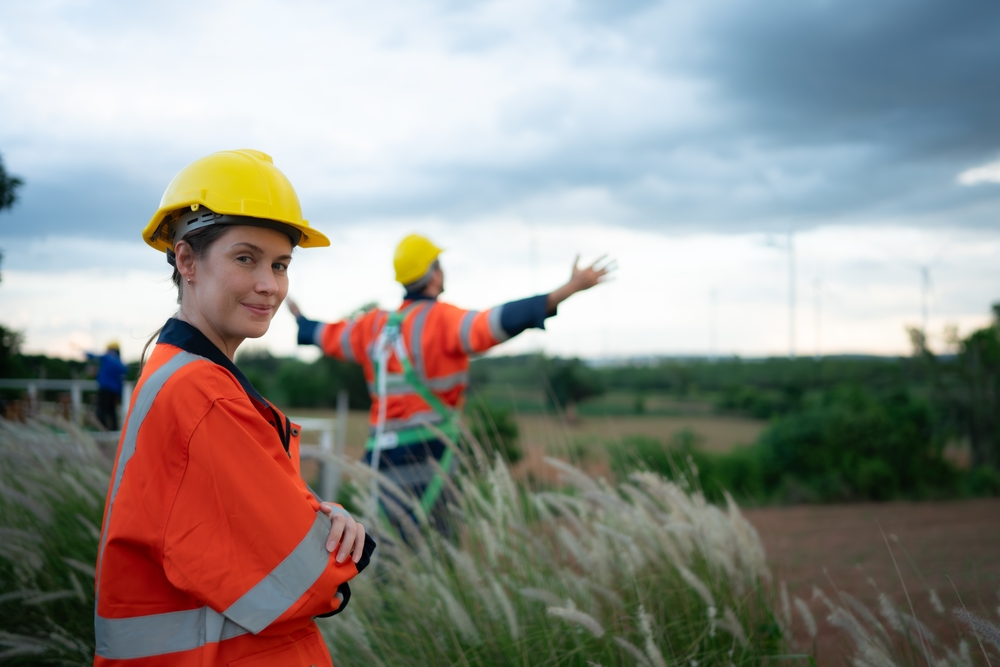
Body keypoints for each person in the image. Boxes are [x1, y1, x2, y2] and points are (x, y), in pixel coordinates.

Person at [94, 149, 374, 667]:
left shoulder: (179, 372)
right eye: (246, 258)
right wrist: (333, 532)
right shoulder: (203, 395)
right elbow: (308, 578)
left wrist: (316, 515)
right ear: (186, 260)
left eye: (281, 264)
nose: (268, 284)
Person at [288, 233, 613, 525]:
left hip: (380, 458)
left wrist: (301, 321)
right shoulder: (443, 321)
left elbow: (325, 335)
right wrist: (567, 290)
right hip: (431, 457)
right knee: (435, 554)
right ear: (433, 273)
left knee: (387, 554)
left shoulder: (373, 326)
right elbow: (498, 322)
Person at [84, 341, 128, 430]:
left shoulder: (107, 357)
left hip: (105, 389)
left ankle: (103, 431)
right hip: (115, 392)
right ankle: (113, 432)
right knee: (112, 412)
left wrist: (86, 353)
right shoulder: (119, 362)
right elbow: (124, 371)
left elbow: (93, 356)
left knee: (101, 412)